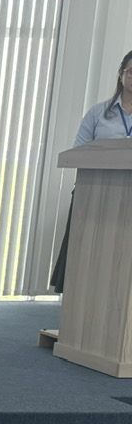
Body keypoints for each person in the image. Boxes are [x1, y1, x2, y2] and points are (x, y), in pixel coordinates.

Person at [50, 49, 132, 292]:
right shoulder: (98, 112)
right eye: (131, 72)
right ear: (121, 74)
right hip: (94, 193)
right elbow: (79, 150)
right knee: (87, 255)